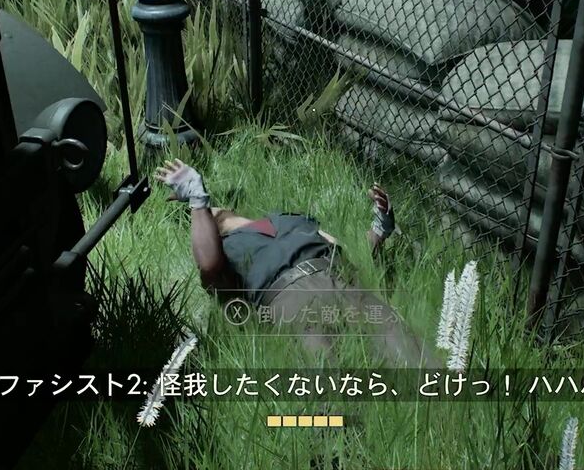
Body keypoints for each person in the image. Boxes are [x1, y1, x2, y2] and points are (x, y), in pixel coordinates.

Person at [155, 158, 437, 368]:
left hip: (342, 282)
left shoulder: (287, 219)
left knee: (418, 359)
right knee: (331, 401)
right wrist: (197, 202)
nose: (208, 213)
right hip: (292, 303)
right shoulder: (225, 250)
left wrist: (380, 228)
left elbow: (348, 251)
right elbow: (209, 267)